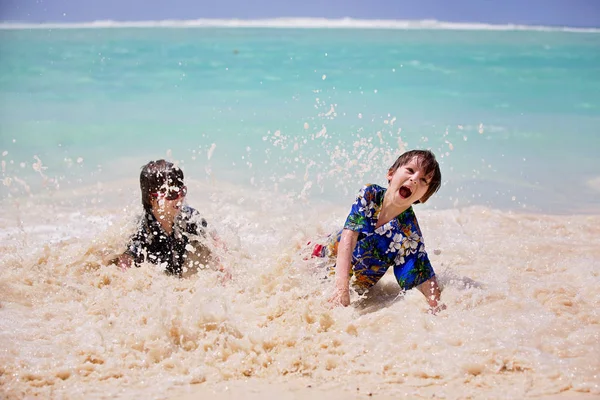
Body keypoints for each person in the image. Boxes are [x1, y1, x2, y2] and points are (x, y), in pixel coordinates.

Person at [311, 149, 444, 312]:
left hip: (358, 288)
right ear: (391, 174)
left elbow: (422, 277)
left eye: (423, 180)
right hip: (321, 259)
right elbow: (349, 236)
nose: (414, 179)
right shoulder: (370, 194)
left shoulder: (409, 232)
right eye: (410, 170)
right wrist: (341, 290)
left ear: (423, 197)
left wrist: (438, 306)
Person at [116, 159, 224, 278]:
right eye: (171, 194)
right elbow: (124, 266)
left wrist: (223, 265)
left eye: (182, 191)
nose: (179, 198)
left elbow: (216, 242)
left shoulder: (190, 218)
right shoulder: (140, 231)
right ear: (152, 198)